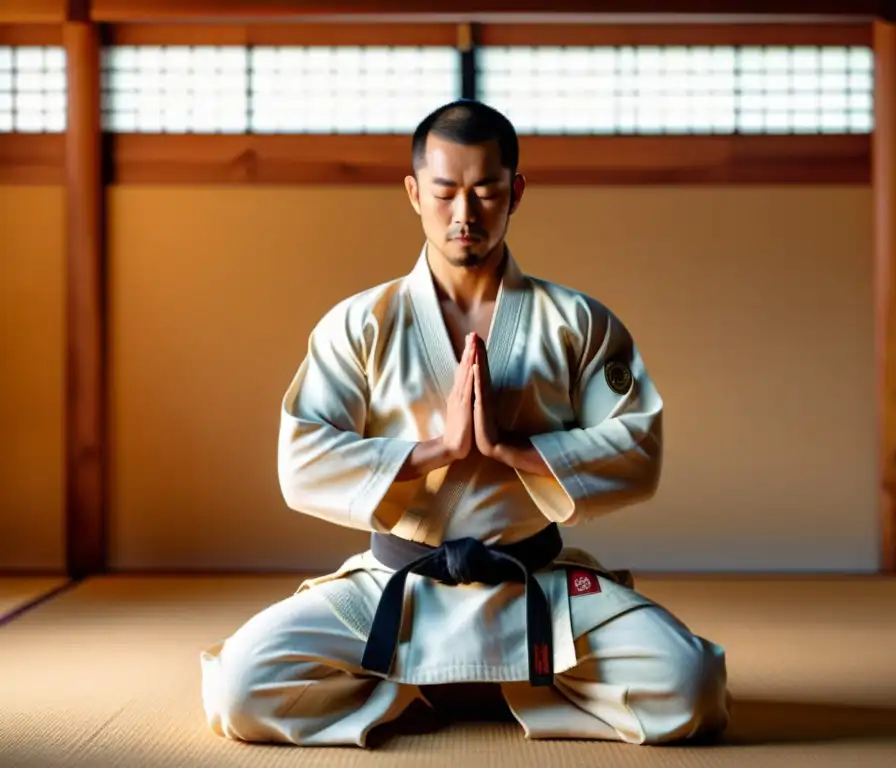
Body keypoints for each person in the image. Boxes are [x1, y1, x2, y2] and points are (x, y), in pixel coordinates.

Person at [199, 99, 730, 747]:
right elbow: (302, 458)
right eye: (446, 191)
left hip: (534, 581)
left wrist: (513, 448)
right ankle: (462, 683)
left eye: (486, 191)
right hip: (399, 582)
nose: (464, 213)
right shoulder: (360, 323)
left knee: (691, 685)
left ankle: (444, 684)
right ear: (413, 192)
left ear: (517, 191)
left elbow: (636, 447)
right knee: (239, 691)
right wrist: (435, 450)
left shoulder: (576, 321)